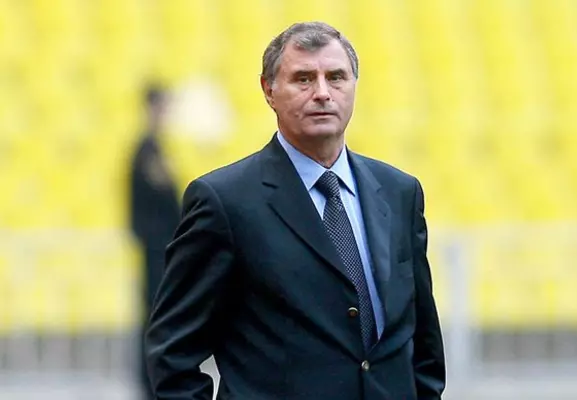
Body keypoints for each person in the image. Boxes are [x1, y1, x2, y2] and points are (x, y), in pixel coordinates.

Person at [145, 22, 445, 400]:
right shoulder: (224, 202)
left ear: (354, 85)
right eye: (303, 79)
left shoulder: (400, 192)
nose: (322, 93)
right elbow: (173, 354)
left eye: (336, 77)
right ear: (268, 91)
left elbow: (423, 341)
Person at [129, 85, 181, 400]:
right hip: (155, 249)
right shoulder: (147, 151)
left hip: (159, 248)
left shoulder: (154, 149)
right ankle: (151, 381)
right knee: (155, 315)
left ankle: (155, 379)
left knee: (157, 314)